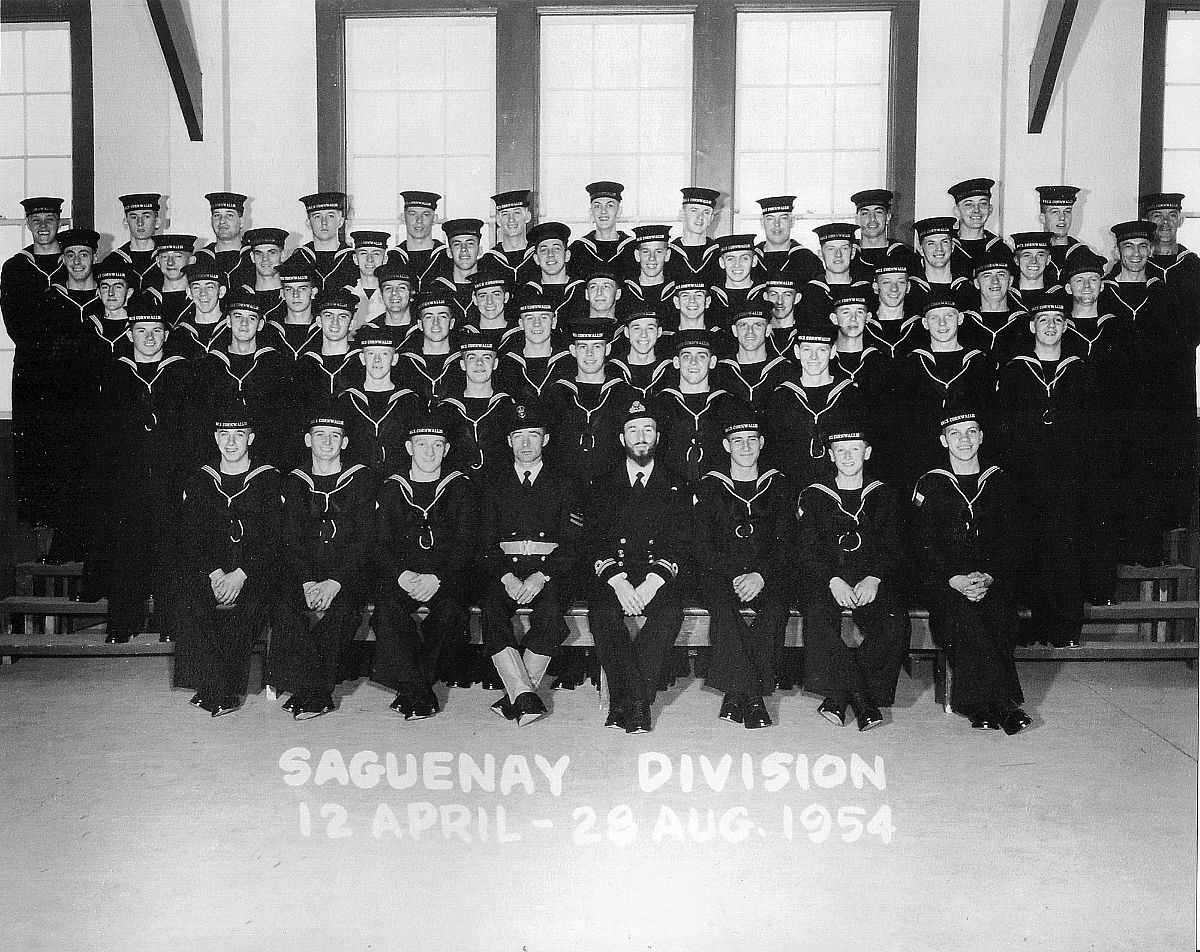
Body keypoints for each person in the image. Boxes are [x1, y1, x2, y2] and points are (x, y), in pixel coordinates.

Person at [911, 405, 1031, 734]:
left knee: (998, 614)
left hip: (990, 581)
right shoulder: (931, 484)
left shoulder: (1000, 481)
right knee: (966, 616)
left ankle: (978, 705)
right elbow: (923, 545)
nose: (964, 440)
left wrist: (989, 576)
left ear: (981, 436)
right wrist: (956, 579)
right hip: (945, 584)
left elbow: (1012, 541)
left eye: (970, 432)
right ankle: (1004, 704)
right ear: (943, 440)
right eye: (955, 434)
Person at [84, 300, 197, 644]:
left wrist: (187, 479)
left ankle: (170, 624)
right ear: (130, 333)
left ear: (166, 334)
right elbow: (105, 434)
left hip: (169, 477)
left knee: (170, 550)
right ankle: (123, 621)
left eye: (156, 331)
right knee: (127, 549)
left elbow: (191, 432)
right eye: (142, 331)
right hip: (128, 478)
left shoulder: (180, 371)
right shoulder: (117, 373)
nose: (149, 337)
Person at [585, 400, 690, 732]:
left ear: (657, 436)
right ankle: (639, 704)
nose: (641, 436)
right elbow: (593, 540)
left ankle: (624, 704)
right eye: (633, 430)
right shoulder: (602, 484)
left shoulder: (677, 483)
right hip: (614, 576)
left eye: (648, 429)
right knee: (602, 614)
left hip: (657, 577)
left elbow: (680, 540)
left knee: (670, 613)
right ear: (622, 438)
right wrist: (617, 581)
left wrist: (652, 581)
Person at [478, 402, 584, 724]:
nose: (526, 444)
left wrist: (543, 575)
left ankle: (517, 694)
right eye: (519, 435)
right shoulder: (492, 483)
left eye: (533, 435)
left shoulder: (567, 483)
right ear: (509, 441)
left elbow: (573, 543)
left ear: (546, 439)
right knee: (492, 608)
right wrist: (508, 577)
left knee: (551, 611)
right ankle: (525, 694)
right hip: (505, 569)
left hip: (549, 570)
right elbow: (483, 543)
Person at [268, 406, 377, 719]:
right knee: (284, 605)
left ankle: (312, 691)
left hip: (347, 573)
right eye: (320, 435)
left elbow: (364, 540)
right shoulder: (293, 481)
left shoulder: (361, 478)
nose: (327, 442)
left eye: (334, 436)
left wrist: (335, 581)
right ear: (308, 439)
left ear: (344, 442)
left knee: (341, 612)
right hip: (305, 573)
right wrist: (306, 581)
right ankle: (312, 688)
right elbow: (289, 540)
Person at [797, 425, 907, 731]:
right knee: (818, 617)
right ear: (831, 456)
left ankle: (838, 696)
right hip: (827, 580)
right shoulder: (814, 495)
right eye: (840, 450)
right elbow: (806, 550)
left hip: (869, 580)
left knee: (895, 621)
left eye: (855, 449)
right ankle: (860, 697)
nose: (847, 456)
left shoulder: (884, 494)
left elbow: (895, 547)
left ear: (867, 453)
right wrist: (833, 580)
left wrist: (874, 577)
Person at [995, 301, 1092, 647]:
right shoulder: (1015, 372)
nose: (1050, 326)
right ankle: (1026, 629)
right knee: (1027, 550)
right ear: (1032, 327)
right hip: (1025, 479)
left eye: (1057, 320)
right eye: (1043, 320)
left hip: (1067, 478)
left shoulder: (1080, 371)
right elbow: (1001, 429)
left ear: (1066, 327)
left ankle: (1063, 629)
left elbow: (1090, 431)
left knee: (1064, 552)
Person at [172, 409, 282, 716]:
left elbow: (273, 539)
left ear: (251, 438)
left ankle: (223, 690)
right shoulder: (201, 479)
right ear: (215, 438)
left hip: (253, 571)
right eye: (224, 435)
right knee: (189, 599)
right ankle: (212, 684)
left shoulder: (269, 478)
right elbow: (191, 535)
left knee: (249, 609)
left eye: (238, 435)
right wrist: (216, 572)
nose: (231, 443)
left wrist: (240, 575)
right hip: (214, 570)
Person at [371, 412, 476, 718]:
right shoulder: (392, 487)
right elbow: (379, 544)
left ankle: (412, 688)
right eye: (421, 444)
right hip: (403, 575)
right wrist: (401, 575)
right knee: (387, 612)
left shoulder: (460, 487)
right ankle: (420, 691)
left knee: (452, 614)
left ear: (446, 449)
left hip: (445, 575)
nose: (429, 451)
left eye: (437, 444)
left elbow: (466, 544)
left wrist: (438, 577)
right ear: (409, 447)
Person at [694, 413, 794, 729]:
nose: (746, 447)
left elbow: (788, 541)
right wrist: (735, 574)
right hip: (723, 575)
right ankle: (754, 697)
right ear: (727, 446)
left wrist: (761, 575)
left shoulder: (779, 485)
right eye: (738, 441)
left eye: (752, 440)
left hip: (767, 574)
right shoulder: (710, 486)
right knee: (723, 610)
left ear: (761, 444)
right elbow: (702, 543)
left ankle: (737, 694)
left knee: (777, 608)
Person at [892, 287, 996, 487]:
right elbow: (904, 422)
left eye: (949, 316)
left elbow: (988, 417)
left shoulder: (979, 363)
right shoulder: (910, 364)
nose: (942, 323)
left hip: (968, 459)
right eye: (934, 317)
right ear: (924, 323)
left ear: (960, 319)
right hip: (923, 460)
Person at [194, 287, 293, 467]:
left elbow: (282, 425)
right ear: (228, 321)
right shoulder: (208, 366)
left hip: (266, 460)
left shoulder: (277, 366)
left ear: (261, 324)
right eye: (238, 316)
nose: (244, 324)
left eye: (252, 318)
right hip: (220, 460)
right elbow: (201, 423)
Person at [764, 320, 864, 487]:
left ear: (832, 352)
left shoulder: (851, 396)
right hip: (792, 486)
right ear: (797, 351)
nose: (814, 357)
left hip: (838, 489)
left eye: (821, 350)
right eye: (807, 349)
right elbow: (772, 452)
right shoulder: (781, 397)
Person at [544, 321, 635, 494]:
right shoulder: (556, 395)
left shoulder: (624, 394)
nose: (590, 354)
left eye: (597, 347)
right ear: (572, 350)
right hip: (565, 493)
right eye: (583, 347)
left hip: (613, 493)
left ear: (607, 349)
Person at [654, 329, 737, 487]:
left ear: (712, 362)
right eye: (686, 356)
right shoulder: (659, 405)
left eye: (701, 356)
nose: (693, 362)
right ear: (676, 362)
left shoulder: (729, 405)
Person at [336, 326, 421, 476]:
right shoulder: (346, 400)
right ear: (362, 358)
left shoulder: (410, 401)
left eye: (384, 353)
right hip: (357, 482)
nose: (377, 360)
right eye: (370, 353)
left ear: (394, 359)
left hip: (396, 482)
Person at [439, 336, 515, 481]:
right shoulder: (446, 410)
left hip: (498, 490)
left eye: (486, 358)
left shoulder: (508, 406)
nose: (479, 363)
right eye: (472, 358)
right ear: (462, 364)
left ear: (495, 363)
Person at [714, 301, 794, 409]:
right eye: (743, 325)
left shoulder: (785, 370)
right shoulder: (720, 371)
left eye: (757, 325)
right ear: (734, 331)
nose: (750, 331)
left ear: (768, 330)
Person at [958, 244, 1029, 365]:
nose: (995, 281)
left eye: (1001, 274)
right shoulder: (964, 324)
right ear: (976, 283)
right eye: (987, 276)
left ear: (1010, 281)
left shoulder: (1024, 323)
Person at [496, 297, 573, 406]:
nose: (537, 324)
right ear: (521, 324)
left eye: (544, 317)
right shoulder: (506, 365)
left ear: (554, 322)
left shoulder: (569, 363)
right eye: (530, 318)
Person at [394, 292, 463, 406]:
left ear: (452, 323)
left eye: (442, 316)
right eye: (429, 317)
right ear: (420, 324)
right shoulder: (404, 364)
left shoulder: (463, 362)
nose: (436, 323)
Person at [568, 181, 636, 281]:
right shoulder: (578, 249)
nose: (603, 211)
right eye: (597, 206)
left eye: (610, 206)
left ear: (619, 212)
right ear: (591, 213)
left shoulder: (632, 248)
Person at [292, 191, 357, 292]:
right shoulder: (297, 260)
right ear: (308, 223)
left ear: (341, 221)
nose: (324, 222)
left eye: (330, 216)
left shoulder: (353, 260)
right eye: (317, 216)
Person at [849, 188, 920, 281]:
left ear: (888, 217)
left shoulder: (905, 256)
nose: (872, 219)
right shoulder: (847, 255)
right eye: (865, 213)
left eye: (878, 212)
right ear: (857, 219)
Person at [751, 195, 822, 284]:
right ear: (762, 223)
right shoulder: (749, 259)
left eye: (783, 218)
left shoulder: (808, 260)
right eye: (770, 218)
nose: (777, 224)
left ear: (792, 221)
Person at [262, 257, 321, 362]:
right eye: (289, 289)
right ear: (282, 294)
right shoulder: (270, 331)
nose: (295, 295)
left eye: (302, 289)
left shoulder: (323, 330)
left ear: (313, 292)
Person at [169, 260, 230, 359]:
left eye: (210, 287)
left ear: (221, 292)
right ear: (189, 292)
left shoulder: (232, 330)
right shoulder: (179, 334)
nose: (203, 293)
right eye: (196, 288)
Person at [524, 221, 584, 320]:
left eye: (556, 249)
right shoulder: (527, 292)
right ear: (536, 259)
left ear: (567, 255)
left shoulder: (581, 290)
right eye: (544, 250)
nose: (550, 254)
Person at [609, 305, 672, 399]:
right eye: (636, 328)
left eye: (650, 328)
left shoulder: (670, 371)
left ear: (659, 332)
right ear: (626, 332)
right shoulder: (612, 370)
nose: (643, 334)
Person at [948, 178, 1004, 279]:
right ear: (957, 211)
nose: (976, 210)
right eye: (969, 204)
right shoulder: (945, 247)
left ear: (990, 209)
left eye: (983, 204)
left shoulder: (1000, 249)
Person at [389, 190, 445, 292]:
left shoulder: (447, 257)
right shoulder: (392, 258)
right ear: (403, 217)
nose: (419, 220)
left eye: (426, 214)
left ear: (435, 219)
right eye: (412, 214)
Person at [667, 187, 722, 288]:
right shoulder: (668, 253)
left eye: (706, 212)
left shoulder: (719, 253)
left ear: (711, 218)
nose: (700, 217)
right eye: (694, 210)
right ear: (682, 214)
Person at [195, 191, 253, 288]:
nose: (222, 221)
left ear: (241, 222)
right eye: (217, 215)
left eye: (229, 215)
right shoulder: (201, 259)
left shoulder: (253, 256)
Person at [481, 189, 536, 285]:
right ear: (498, 220)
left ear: (527, 217)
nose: (511, 220)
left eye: (517, 213)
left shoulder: (538, 257)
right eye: (505, 214)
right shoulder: (487, 262)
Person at [112, 193, 164, 291]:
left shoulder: (166, 259)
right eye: (134, 217)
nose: (140, 223)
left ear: (157, 222)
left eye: (146, 216)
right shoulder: (114, 260)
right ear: (125, 222)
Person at [1036, 184, 1085, 284]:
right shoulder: (1032, 254)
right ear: (1042, 218)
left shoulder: (1082, 254)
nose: (1062, 217)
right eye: (1055, 212)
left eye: (1067, 211)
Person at [147, 233, 197, 327]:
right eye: (165, 257)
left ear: (191, 260)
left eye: (178, 256)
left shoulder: (199, 298)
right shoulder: (147, 299)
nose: (170, 263)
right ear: (158, 261)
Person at [344, 230, 390, 331]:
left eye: (376, 254)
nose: (370, 259)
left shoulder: (393, 295)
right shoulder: (344, 294)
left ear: (385, 259)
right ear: (355, 259)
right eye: (363, 253)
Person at [242, 227, 288, 324]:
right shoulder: (242, 295)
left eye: (272, 252)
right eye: (259, 253)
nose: (265, 259)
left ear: (283, 255)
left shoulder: (291, 297)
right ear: (252, 257)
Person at [1009, 231, 1061, 311]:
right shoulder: (1008, 296)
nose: (1034, 261)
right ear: (1016, 260)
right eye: (1027, 255)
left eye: (1040, 255)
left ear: (1048, 260)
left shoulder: (1059, 295)